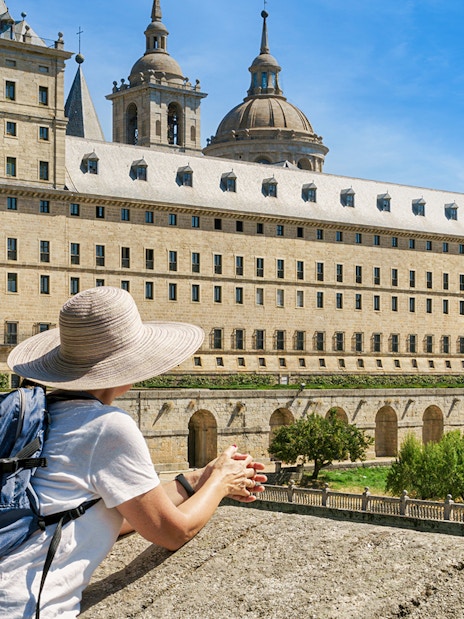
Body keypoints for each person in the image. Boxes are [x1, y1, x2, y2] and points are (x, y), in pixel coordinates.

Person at [1, 286, 266, 618]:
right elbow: (173, 532)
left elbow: (110, 515)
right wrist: (222, 482)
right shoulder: (105, 426)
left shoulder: (40, 416)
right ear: (127, 366)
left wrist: (196, 479)